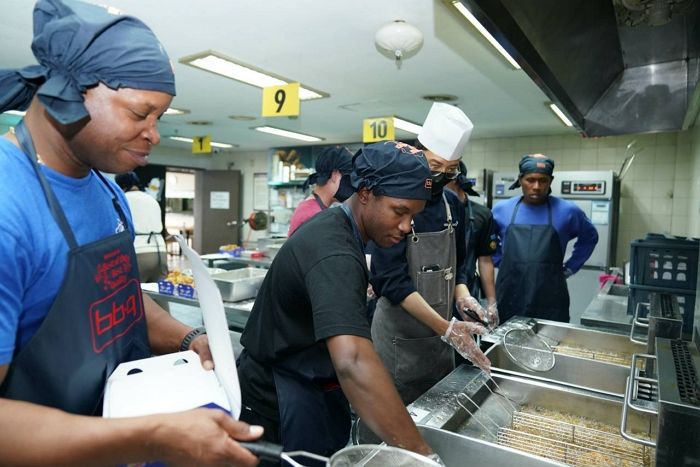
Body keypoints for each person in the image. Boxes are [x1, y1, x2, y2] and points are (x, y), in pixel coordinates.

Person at [0, 1, 261, 466]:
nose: (154, 135)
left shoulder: (105, 188)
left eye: (158, 117)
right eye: (140, 113)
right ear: (69, 93)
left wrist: (187, 339)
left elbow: (115, 295)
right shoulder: (8, 206)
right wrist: (151, 436)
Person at [237, 141, 439, 462]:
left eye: (413, 216)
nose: (406, 227)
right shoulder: (335, 250)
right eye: (400, 212)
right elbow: (353, 361)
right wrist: (422, 454)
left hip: (309, 385)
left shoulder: (343, 230)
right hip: (278, 399)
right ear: (365, 194)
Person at [367, 103, 492, 406]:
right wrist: (446, 328)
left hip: (441, 343)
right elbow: (391, 281)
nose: (441, 177)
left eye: (451, 170)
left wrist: (461, 296)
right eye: (435, 167)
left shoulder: (453, 203)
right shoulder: (397, 202)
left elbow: (460, 264)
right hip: (399, 341)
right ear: (417, 152)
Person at [492, 153, 599, 323]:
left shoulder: (568, 211)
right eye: (530, 180)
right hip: (509, 295)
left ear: (550, 181)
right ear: (520, 180)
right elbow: (487, 240)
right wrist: (499, 260)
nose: (536, 186)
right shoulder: (502, 210)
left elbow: (590, 237)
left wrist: (571, 267)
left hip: (550, 300)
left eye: (543, 181)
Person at [445, 161, 498, 320]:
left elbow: (485, 260)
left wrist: (491, 302)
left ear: (456, 179)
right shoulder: (430, 212)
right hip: (434, 293)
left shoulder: (482, 214)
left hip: (467, 293)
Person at [287, 145, 354, 236]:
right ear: (335, 175)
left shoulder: (315, 209)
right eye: (348, 179)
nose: (351, 185)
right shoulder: (311, 214)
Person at [115, 171, 168, 282]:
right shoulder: (152, 199)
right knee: (157, 296)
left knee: (135, 295)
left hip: (138, 252)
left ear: (121, 186)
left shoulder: (122, 199)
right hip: (160, 251)